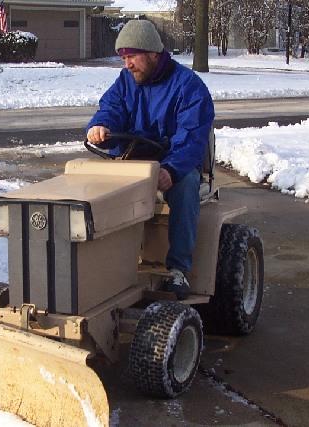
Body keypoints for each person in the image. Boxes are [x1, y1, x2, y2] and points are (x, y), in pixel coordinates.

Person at [86, 20, 215, 300]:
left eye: (132, 56)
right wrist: (100, 127)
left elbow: (192, 136)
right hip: (135, 160)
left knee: (184, 187)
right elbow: (111, 108)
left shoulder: (188, 87)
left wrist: (172, 168)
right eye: (123, 58)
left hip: (174, 162)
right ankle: (109, 263)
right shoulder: (125, 82)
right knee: (99, 188)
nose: (127, 64)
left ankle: (179, 269)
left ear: (153, 54)